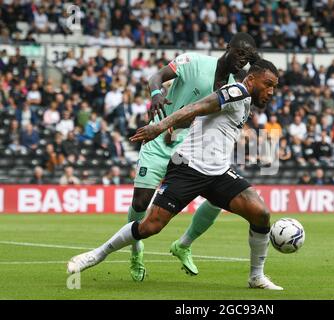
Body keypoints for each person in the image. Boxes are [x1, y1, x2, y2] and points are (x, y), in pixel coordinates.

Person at [68, 59, 283, 290]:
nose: (271, 92)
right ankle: (96, 255)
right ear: (250, 80)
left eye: (274, 87)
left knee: (261, 214)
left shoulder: (245, 100)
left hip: (218, 172)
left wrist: (178, 128)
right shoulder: (236, 91)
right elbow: (195, 107)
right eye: (267, 84)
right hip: (188, 169)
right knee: (150, 226)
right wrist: (159, 127)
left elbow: (200, 114)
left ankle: (256, 277)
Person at [125, 32, 259, 281]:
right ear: (227, 46)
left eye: (247, 56)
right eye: (239, 52)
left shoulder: (237, 86)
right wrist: (156, 95)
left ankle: (183, 244)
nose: (242, 59)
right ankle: (136, 250)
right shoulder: (194, 62)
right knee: (141, 203)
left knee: (219, 199)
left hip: (194, 149)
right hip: (158, 139)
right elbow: (156, 77)